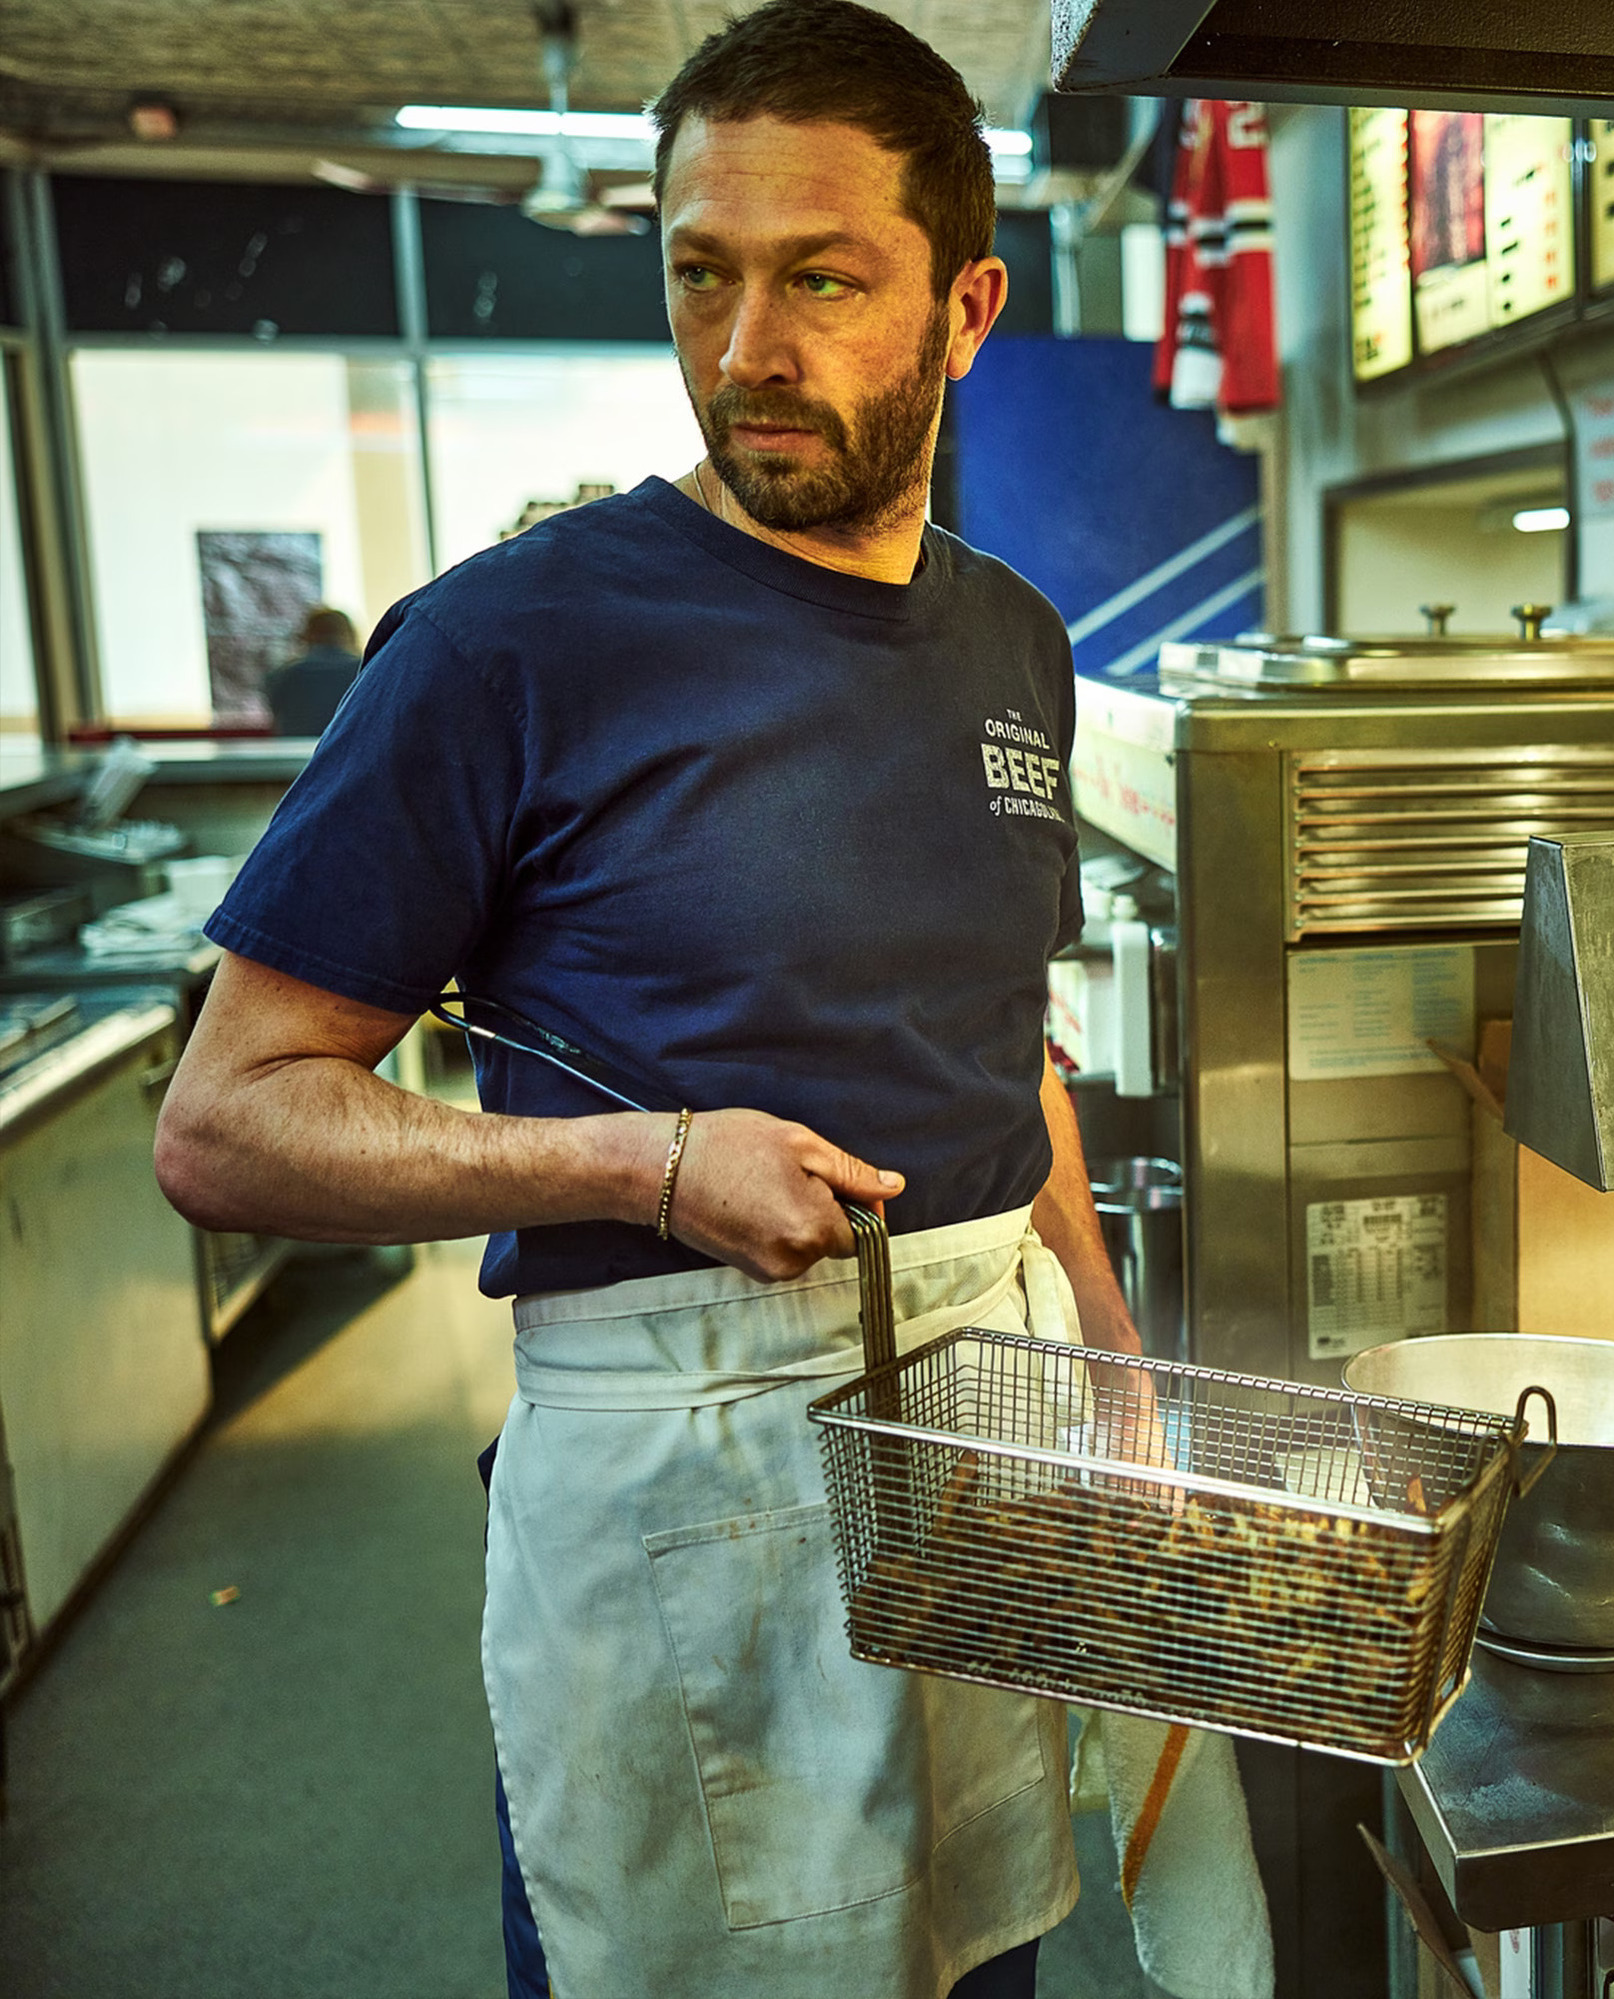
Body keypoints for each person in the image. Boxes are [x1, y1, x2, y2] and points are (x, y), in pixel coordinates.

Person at [153, 6, 1144, 1995]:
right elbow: (228, 1115)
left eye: (820, 282)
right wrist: (649, 1163)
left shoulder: (1017, 643)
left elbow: (999, 1043)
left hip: (987, 1437)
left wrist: (1114, 1363)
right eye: (702, 274)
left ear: (966, 310)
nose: (744, 348)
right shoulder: (508, 643)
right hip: (693, 1489)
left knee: (984, 1953)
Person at [260, 605, 361, 736]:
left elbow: (276, 713)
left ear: (307, 635)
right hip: (350, 750)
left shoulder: (284, 674)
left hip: (296, 751)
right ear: (350, 634)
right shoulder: (365, 671)